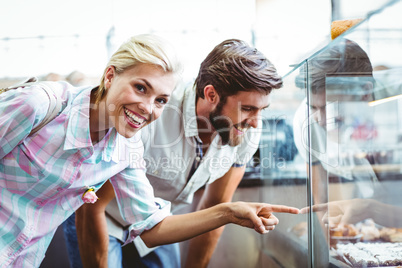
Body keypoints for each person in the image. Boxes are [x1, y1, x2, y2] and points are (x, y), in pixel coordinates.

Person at [0, 34, 299, 268]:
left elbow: (153, 225)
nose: (147, 108)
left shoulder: (124, 144)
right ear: (109, 76)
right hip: (99, 217)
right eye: (140, 88)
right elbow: (92, 207)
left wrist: (229, 212)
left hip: (28, 255)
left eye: (160, 100)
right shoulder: (43, 105)